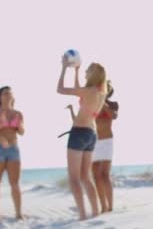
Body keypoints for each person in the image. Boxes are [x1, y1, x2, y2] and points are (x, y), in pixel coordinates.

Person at [57, 59, 107, 220]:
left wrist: (65, 68)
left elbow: (60, 89)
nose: (86, 71)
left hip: (79, 133)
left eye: (88, 69)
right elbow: (80, 89)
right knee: (86, 176)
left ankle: (83, 215)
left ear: (93, 74)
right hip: (91, 134)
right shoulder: (100, 92)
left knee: (74, 178)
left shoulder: (89, 91)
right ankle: (95, 212)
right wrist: (77, 71)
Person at [66, 80, 118, 213]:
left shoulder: (112, 104)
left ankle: (110, 206)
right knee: (95, 176)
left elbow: (113, 116)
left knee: (105, 175)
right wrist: (72, 110)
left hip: (107, 142)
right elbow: (80, 120)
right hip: (93, 141)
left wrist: (102, 102)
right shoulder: (92, 104)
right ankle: (103, 207)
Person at [0, 86, 25, 220]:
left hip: (13, 149)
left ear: (13, 97)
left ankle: (18, 213)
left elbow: (22, 132)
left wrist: (18, 125)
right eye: (5, 93)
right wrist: (0, 125)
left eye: (10, 94)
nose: (8, 96)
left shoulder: (18, 113)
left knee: (15, 183)